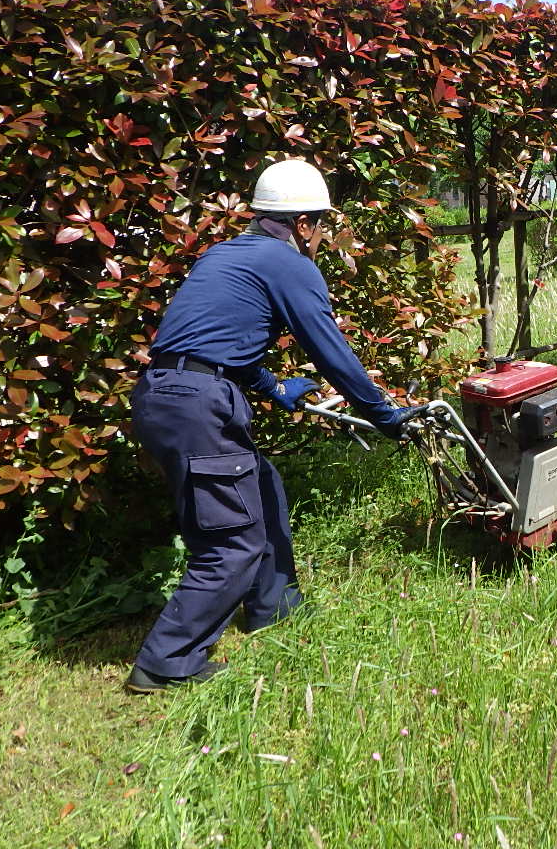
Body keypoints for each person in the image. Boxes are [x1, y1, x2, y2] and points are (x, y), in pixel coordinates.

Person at [126, 159, 412, 693]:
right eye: (323, 224)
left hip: (162, 396)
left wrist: (274, 387)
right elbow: (329, 350)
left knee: (261, 486)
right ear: (302, 224)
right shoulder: (289, 264)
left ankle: (272, 606)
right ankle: (165, 662)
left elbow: (212, 344)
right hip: (197, 404)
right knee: (230, 541)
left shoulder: (228, 253)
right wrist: (383, 413)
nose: (325, 236)